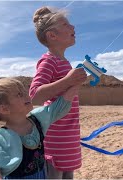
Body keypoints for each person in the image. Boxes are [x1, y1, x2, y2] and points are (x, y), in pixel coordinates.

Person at [30, 6, 87, 179]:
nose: (73, 27)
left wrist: (76, 81)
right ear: (52, 35)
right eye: (66, 24)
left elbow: (64, 91)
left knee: (68, 175)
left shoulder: (64, 62)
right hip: (56, 135)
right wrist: (68, 80)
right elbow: (35, 95)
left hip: (68, 132)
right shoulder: (49, 61)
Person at [0, 77, 79, 179]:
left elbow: (58, 106)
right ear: (4, 109)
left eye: (24, 91)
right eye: (19, 94)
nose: (27, 95)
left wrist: (76, 82)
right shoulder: (2, 137)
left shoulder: (38, 119)